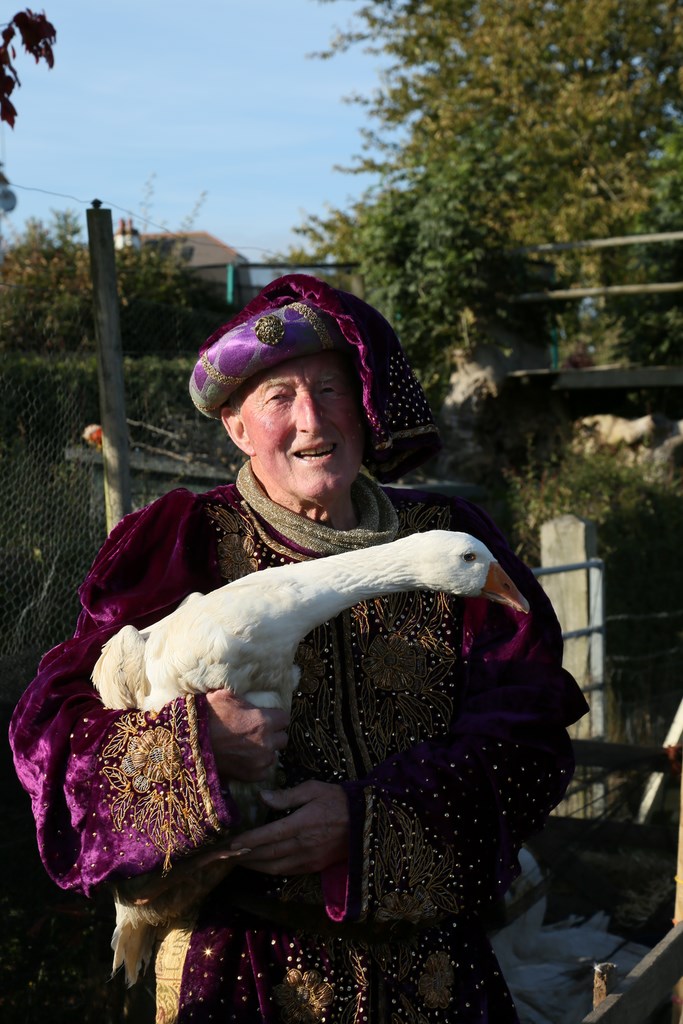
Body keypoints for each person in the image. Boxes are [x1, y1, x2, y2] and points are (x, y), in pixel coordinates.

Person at [10, 273, 588, 1024]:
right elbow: (54, 735)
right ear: (235, 427)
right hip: (236, 972)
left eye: (330, 389)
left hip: (436, 976)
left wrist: (364, 823)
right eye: (277, 398)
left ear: (366, 406)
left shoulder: (453, 541)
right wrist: (198, 748)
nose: (311, 420)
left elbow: (528, 736)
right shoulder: (179, 543)